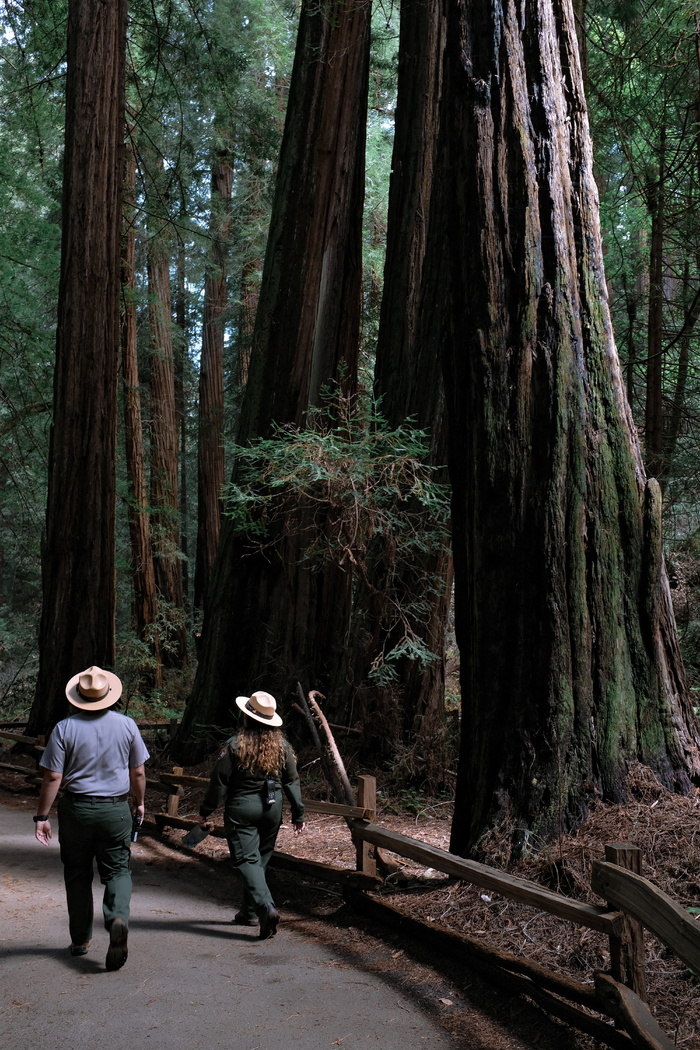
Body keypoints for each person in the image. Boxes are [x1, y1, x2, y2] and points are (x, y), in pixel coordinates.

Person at [34, 665, 149, 971]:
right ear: (109, 694)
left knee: (77, 873)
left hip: (77, 810)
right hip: (115, 810)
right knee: (118, 871)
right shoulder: (128, 726)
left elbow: (52, 777)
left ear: (78, 697)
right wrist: (140, 803)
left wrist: (41, 815)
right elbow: (137, 771)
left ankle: (80, 939)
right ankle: (116, 919)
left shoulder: (64, 728)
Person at [199, 690, 304, 939]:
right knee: (259, 861)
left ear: (246, 718)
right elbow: (292, 781)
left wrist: (205, 811)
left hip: (242, 808)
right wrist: (298, 813)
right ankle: (249, 912)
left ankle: (265, 906)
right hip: (272, 808)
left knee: (247, 860)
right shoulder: (283, 747)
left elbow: (219, 783)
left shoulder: (235, 745)